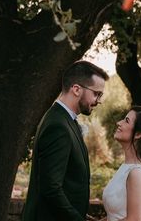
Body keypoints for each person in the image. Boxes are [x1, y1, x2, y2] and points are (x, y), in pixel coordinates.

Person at [22, 60, 109, 221]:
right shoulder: (58, 126)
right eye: (96, 93)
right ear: (76, 89)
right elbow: (51, 189)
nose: (98, 101)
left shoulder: (66, 121)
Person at [101, 106, 141, 221]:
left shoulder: (137, 172)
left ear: (138, 134)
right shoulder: (127, 167)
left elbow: (134, 219)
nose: (119, 123)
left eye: (126, 121)